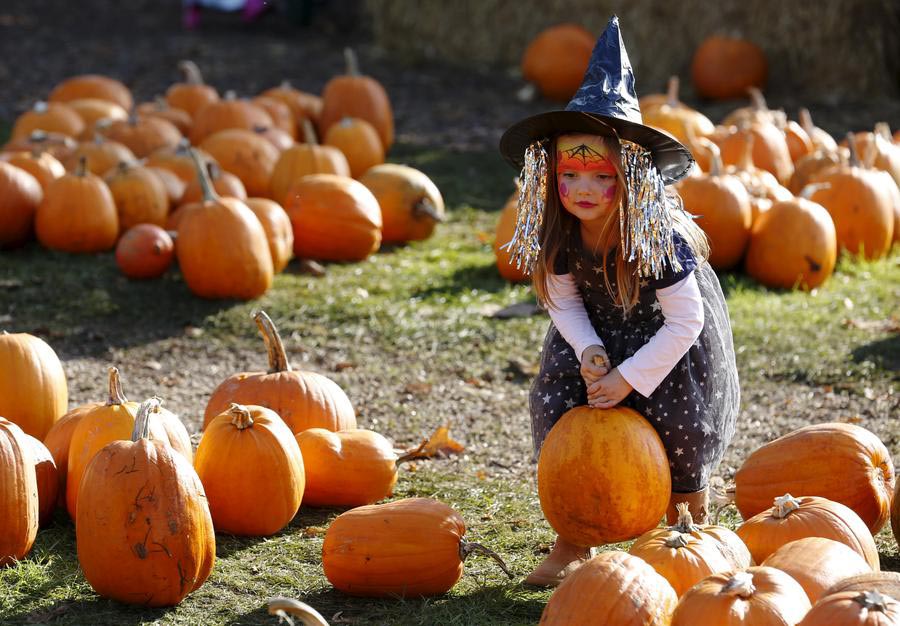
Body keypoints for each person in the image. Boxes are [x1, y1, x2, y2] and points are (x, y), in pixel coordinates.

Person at [498, 16, 740, 588]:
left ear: (631, 178)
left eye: (601, 176)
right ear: (550, 175)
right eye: (570, 174)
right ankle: (573, 537)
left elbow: (686, 320)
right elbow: (562, 300)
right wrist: (587, 350)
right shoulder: (561, 232)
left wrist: (629, 378)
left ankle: (686, 532)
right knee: (558, 408)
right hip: (595, 332)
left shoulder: (659, 239)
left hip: (664, 341)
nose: (583, 189)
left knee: (680, 424)